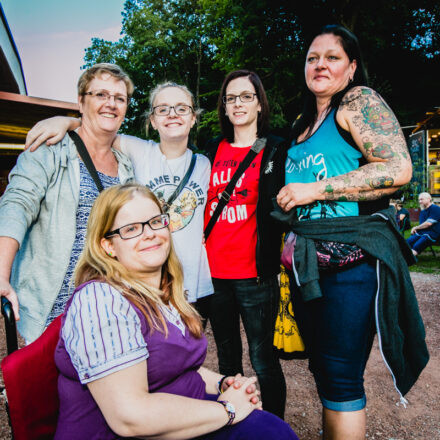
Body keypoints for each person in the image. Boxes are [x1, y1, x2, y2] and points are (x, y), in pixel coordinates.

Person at [276, 25, 428, 439]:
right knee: (324, 369)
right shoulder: (301, 123)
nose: (319, 64)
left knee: (342, 376)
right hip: (309, 266)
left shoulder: (358, 101)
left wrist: (314, 190)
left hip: (351, 260)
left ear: (352, 66)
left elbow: (398, 170)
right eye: (312, 58)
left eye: (332, 56)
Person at [54, 182, 298, 440]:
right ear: (108, 246)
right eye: (131, 229)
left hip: (178, 418)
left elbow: (174, 368)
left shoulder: (163, 291)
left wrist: (220, 383)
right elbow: (130, 417)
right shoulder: (102, 300)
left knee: (273, 431)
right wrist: (227, 409)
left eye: (155, 222)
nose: (149, 233)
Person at [24, 82, 213, 312]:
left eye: (182, 108)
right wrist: (68, 121)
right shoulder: (138, 150)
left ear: (193, 118)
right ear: (152, 120)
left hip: (192, 279)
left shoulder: (205, 164)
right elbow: (96, 133)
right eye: (163, 109)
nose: (172, 114)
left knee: (190, 344)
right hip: (147, 278)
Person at [0, 63, 135, 342]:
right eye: (100, 95)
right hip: (53, 310)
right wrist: (1, 272)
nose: (111, 104)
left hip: (107, 311)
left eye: (119, 98)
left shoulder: (127, 166)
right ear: (81, 102)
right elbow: (16, 204)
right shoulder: (50, 151)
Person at [203, 70, 287, 418]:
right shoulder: (209, 151)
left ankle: (272, 424)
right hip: (213, 274)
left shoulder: (278, 149)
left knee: (262, 358)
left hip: (255, 274)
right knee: (226, 359)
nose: (238, 104)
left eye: (246, 96)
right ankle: (236, 419)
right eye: (231, 97)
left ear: (258, 103)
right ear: (223, 106)